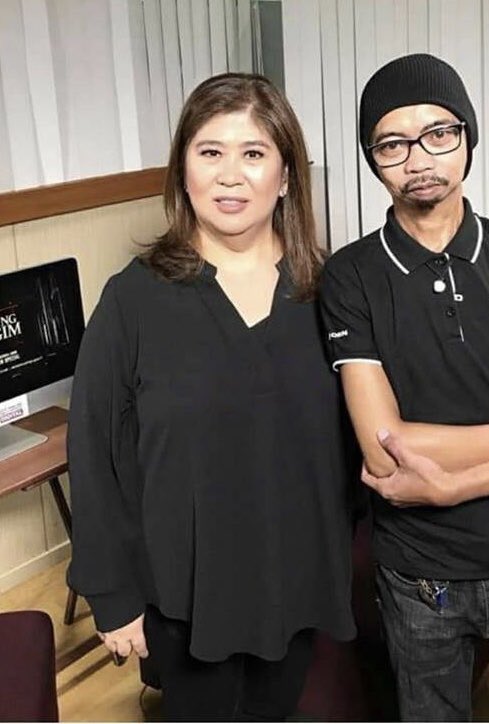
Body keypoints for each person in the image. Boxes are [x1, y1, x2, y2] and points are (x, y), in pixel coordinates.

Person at [67, 72, 359, 722]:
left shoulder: (331, 292)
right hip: (184, 598)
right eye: (210, 152)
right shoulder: (133, 300)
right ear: (183, 170)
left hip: (296, 584)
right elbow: (93, 453)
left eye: (253, 153)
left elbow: (358, 441)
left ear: (285, 175)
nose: (230, 175)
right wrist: (112, 596)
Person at [320, 53, 489, 721]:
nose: (418, 158)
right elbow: (384, 447)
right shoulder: (350, 277)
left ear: (467, 137)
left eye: (438, 134)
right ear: (373, 158)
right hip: (422, 577)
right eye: (393, 143)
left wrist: (452, 484)